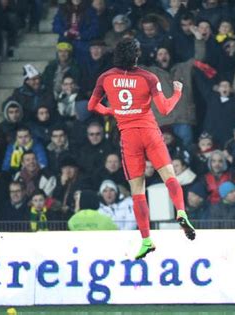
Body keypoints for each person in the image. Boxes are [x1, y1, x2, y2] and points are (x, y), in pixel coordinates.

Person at [87, 38, 196, 260]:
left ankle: (146, 240)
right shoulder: (148, 77)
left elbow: (92, 106)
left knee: (138, 192)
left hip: (129, 137)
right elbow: (165, 109)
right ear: (136, 56)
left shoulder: (106, 77)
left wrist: (114, 112)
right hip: (149, 132)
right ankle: (182, 212)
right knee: (169, 177)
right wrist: (176, 92)